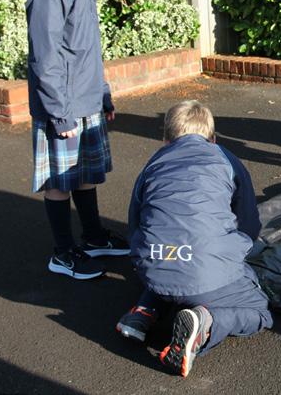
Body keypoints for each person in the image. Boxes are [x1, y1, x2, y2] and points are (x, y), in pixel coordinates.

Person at [116, 100, 272, 378]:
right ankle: (206, 323)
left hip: (153, 267)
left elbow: (135, 222)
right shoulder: (227, 160)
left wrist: (144, 258)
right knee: (259, 311)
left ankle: (143, 312)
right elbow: (248, 224)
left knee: (173, 261)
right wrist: (233, 255)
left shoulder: (153, 164)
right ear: (213, 138)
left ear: (166, 139)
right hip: (203, 271)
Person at [26, 0, 130, 280]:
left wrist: (103, 94)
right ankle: (63, 253)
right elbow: (45, 59)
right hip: (62, 108)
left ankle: (93, 237)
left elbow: (88, 51)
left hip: (87, 100)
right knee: (60, 182)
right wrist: (59, 114)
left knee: (85, 175)